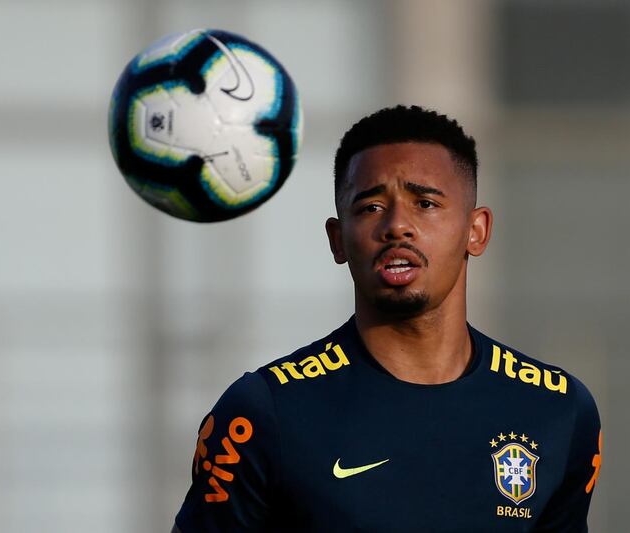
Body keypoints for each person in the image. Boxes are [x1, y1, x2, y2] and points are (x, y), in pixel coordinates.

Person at [173, 105, 602, 532]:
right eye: (371, 207)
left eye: (425, 203)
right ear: (338, 240)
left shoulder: (557, 409)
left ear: (476, 231)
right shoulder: (265, 412)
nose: (398, 226)